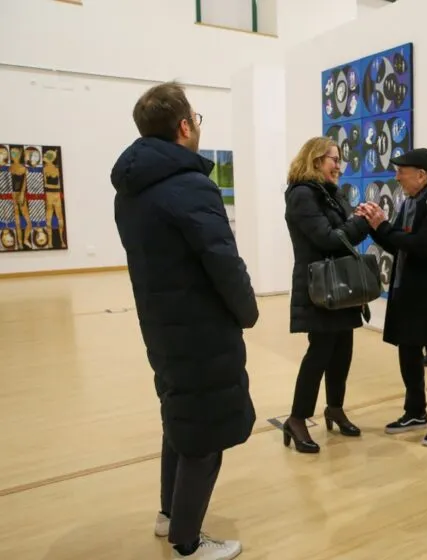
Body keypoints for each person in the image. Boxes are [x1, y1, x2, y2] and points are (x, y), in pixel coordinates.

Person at [112, 81, 257, 559]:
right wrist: (248, 310)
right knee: (204, 435)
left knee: (180, 419)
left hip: (163, 325)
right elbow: (222, 260)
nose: (197, 125)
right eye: (196, 118)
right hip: (200, 330)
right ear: (183, 126)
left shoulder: (132, 192)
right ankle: (187, 543)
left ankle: (169, 515)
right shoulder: (191, 186)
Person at [355, 148, 427, 447]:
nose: (397, 176)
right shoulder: (411, 202)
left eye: (402, 170)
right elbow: (397, 242)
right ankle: (415, 411)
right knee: (408, 351)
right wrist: (376, 226)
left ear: (421, 175)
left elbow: (422, 245)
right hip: (409, 290)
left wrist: (385, 227)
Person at [282, 136, 372, 454]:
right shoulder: (302, 195)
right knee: (319, 353)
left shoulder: (332, 194)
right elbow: (328, 239)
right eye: (334, 159)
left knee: (342, 351)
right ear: (316, 160)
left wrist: (359, 218)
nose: (339, 165)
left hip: (340, 285)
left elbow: (345, 231)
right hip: (320, 286)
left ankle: (335, 407)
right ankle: (297, 418)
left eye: (339, 159)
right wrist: (359, 222)